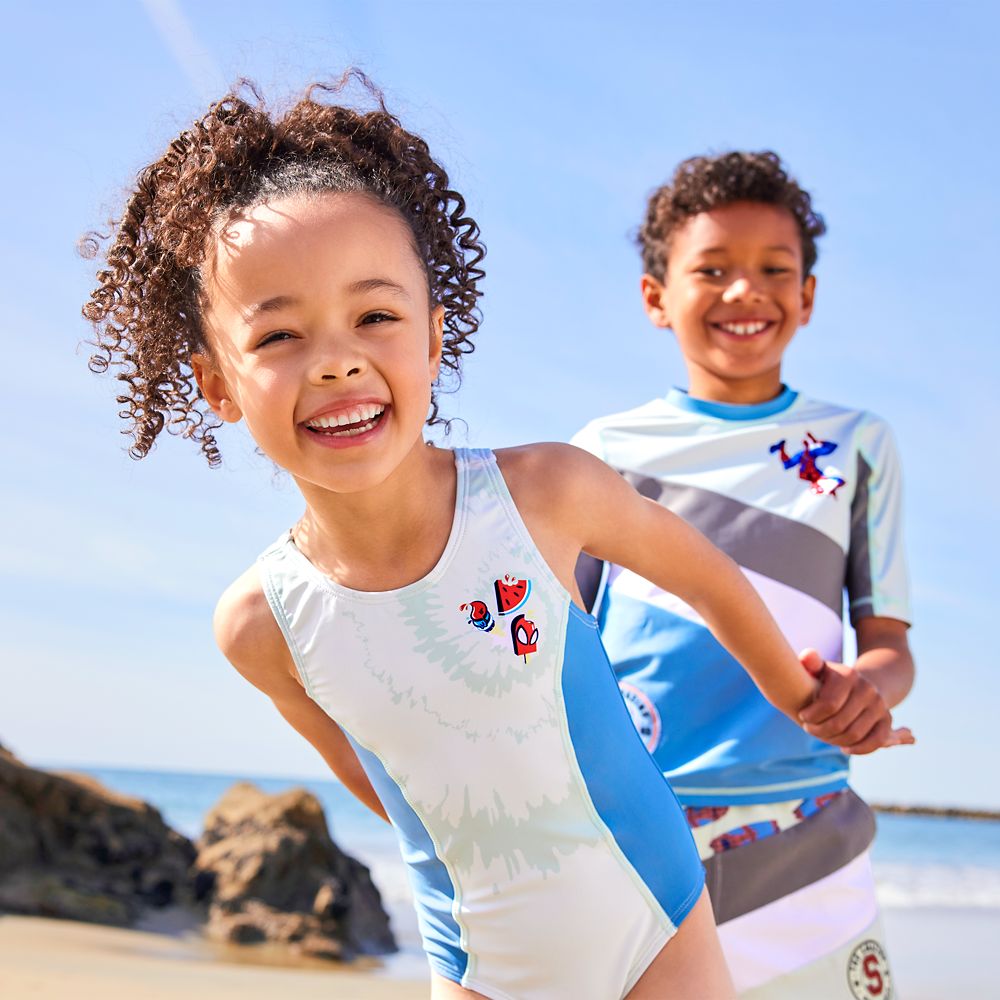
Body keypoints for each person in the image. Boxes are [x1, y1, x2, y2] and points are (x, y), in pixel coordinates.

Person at [82, 80, 905, 999]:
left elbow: (706, 577)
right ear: (217, 384)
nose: (336, 358)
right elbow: (385, 784)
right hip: (481, 964)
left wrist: (807, 698)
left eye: (376, 316)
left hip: (655, 922)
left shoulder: (545, 493)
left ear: (435, 340)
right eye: (278, 333)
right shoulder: (260, 626)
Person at [572, 151, 915, 998]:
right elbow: (558, 651)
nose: (743, 291)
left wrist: (867, 691)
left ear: (807, 296)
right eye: (712, 270)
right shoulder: (601, 453)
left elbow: (890, 646)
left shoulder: (859, 444)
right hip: (637, 831)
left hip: (810, 836)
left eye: (774, 270)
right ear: (656, 298)